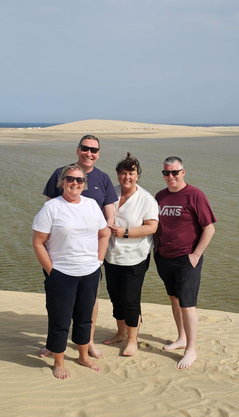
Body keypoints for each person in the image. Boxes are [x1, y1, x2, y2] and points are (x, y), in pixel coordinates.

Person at [40, 134, 118, 359]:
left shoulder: (103, 179)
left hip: (89, 259)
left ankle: (88, 342)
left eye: (94, 150)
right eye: (85, 148)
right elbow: (49, 211)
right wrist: (50, 264)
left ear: (98, 154)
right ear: (77, 150)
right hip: (60, 258)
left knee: (89, 302)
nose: (89, 153)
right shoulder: (60, 173)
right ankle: (53, 345)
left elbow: (109, 217)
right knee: (57, 305)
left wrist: (99, 257)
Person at [32, 165, 111, 379]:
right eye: (70, 179)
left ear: (84, 184)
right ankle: (59, 362)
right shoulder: (51, 208)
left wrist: (99, 260)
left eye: (79, 180)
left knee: (85, 318)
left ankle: (83, 356)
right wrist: (52, 271)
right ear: (62, 182)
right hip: (61, 274)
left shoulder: (92, 205)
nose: (74, 183)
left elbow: (104, 234)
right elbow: (38, 242)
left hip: (89, 272)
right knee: (61, 319)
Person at [153, 156, 216, 370]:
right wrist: (155, 249)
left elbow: (209, 228)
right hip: (164, 257)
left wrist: (196, 255)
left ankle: (191, 350)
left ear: (183, 172)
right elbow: (154, 225)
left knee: (188, 305)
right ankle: (181, 337)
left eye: (174, 172)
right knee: (174, 299)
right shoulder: (160, 196)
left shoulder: (195, 195)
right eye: (166, 173)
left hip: (187, 259)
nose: (170, 177)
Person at [103, 153, 159, 356]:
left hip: (135, 257)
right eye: (123, 173)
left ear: (137, 175)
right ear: (118, 175)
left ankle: (133, 340)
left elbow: (152, 227)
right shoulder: (111, 193)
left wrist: (125, 233)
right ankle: (120, 333)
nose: (127, 177)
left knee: (130, 299)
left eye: (131, 173)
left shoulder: (146, 199)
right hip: (111, 256)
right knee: (115, 297)